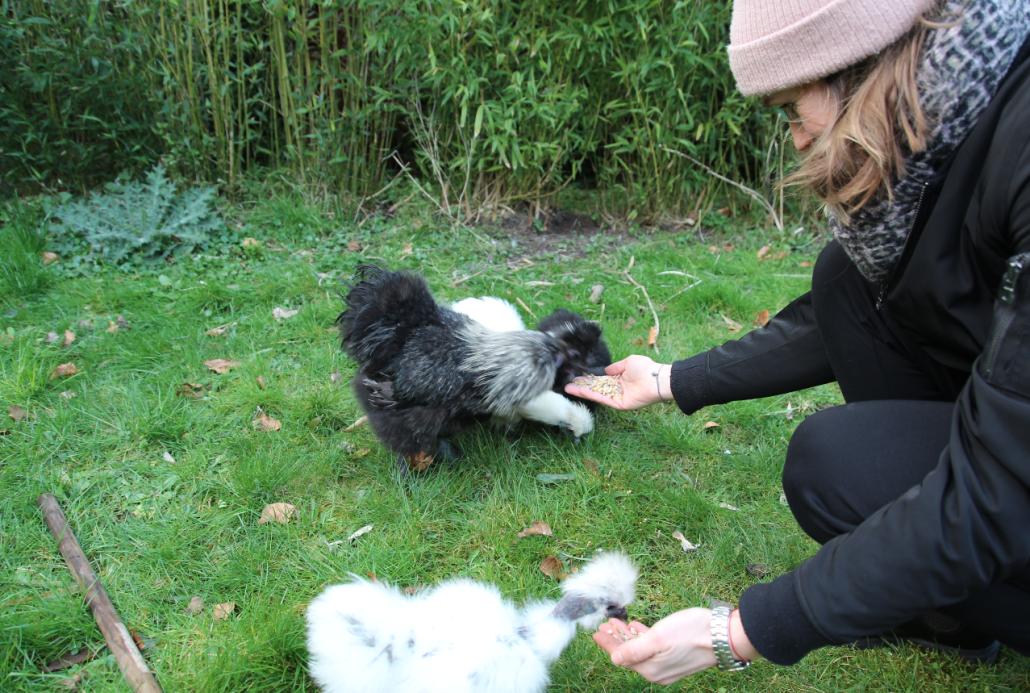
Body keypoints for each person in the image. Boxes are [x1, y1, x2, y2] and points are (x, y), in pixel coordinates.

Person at [565, 0, 1030, 684]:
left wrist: (740, 631)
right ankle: (946, 613)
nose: (795, 138)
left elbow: (997, 492)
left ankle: (943, 588)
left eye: (791, 108)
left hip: (1013, 483)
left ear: (857, 68)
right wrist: (670, 379)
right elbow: (847, 312)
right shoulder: (964, 119)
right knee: (847, 278)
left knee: (830, 466)